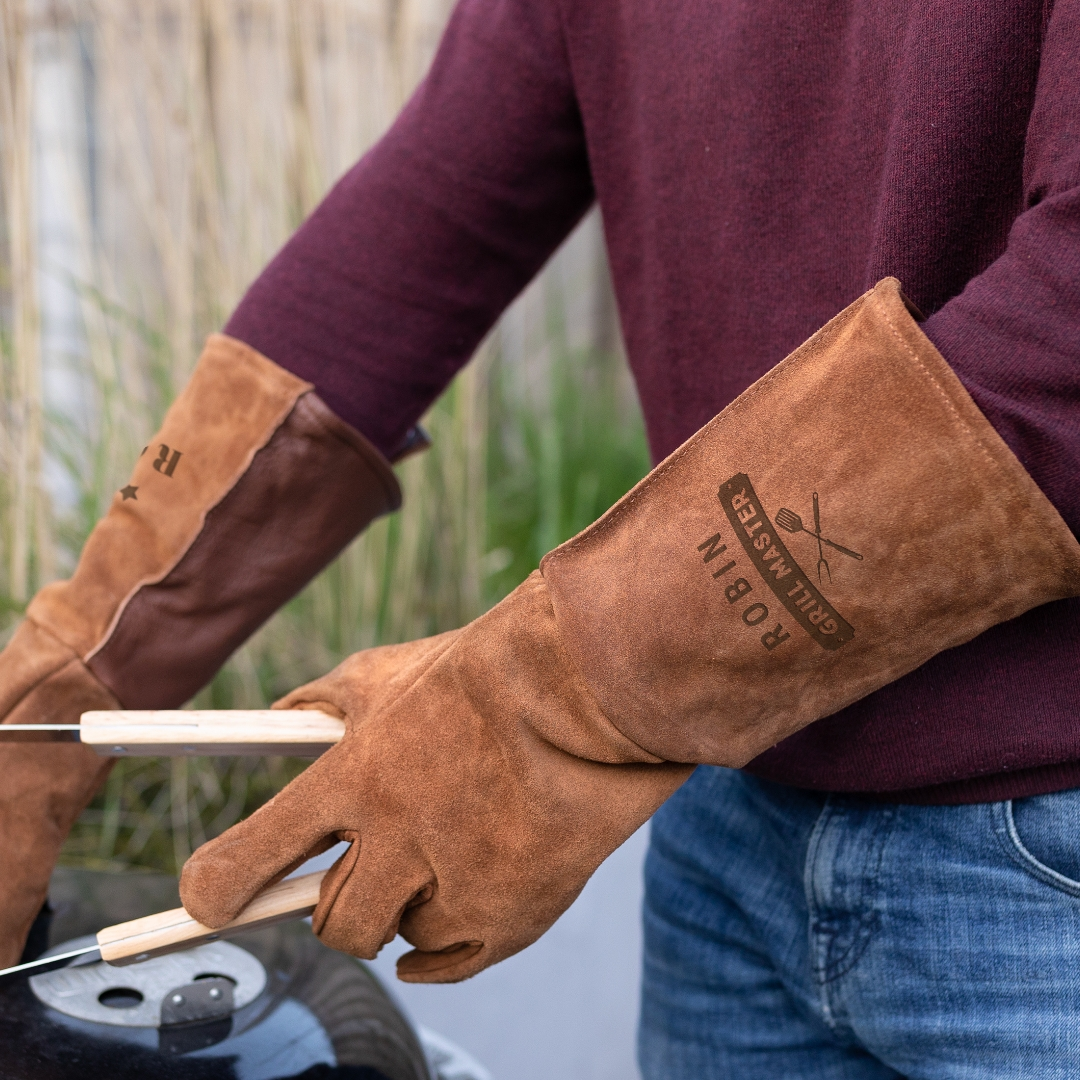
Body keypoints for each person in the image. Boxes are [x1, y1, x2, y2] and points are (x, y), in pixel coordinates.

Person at [3, 0, 1080, 1074]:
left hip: (1045, 858)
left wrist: (550, 692)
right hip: (734, 813)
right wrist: (65, 680)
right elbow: (428, 219)